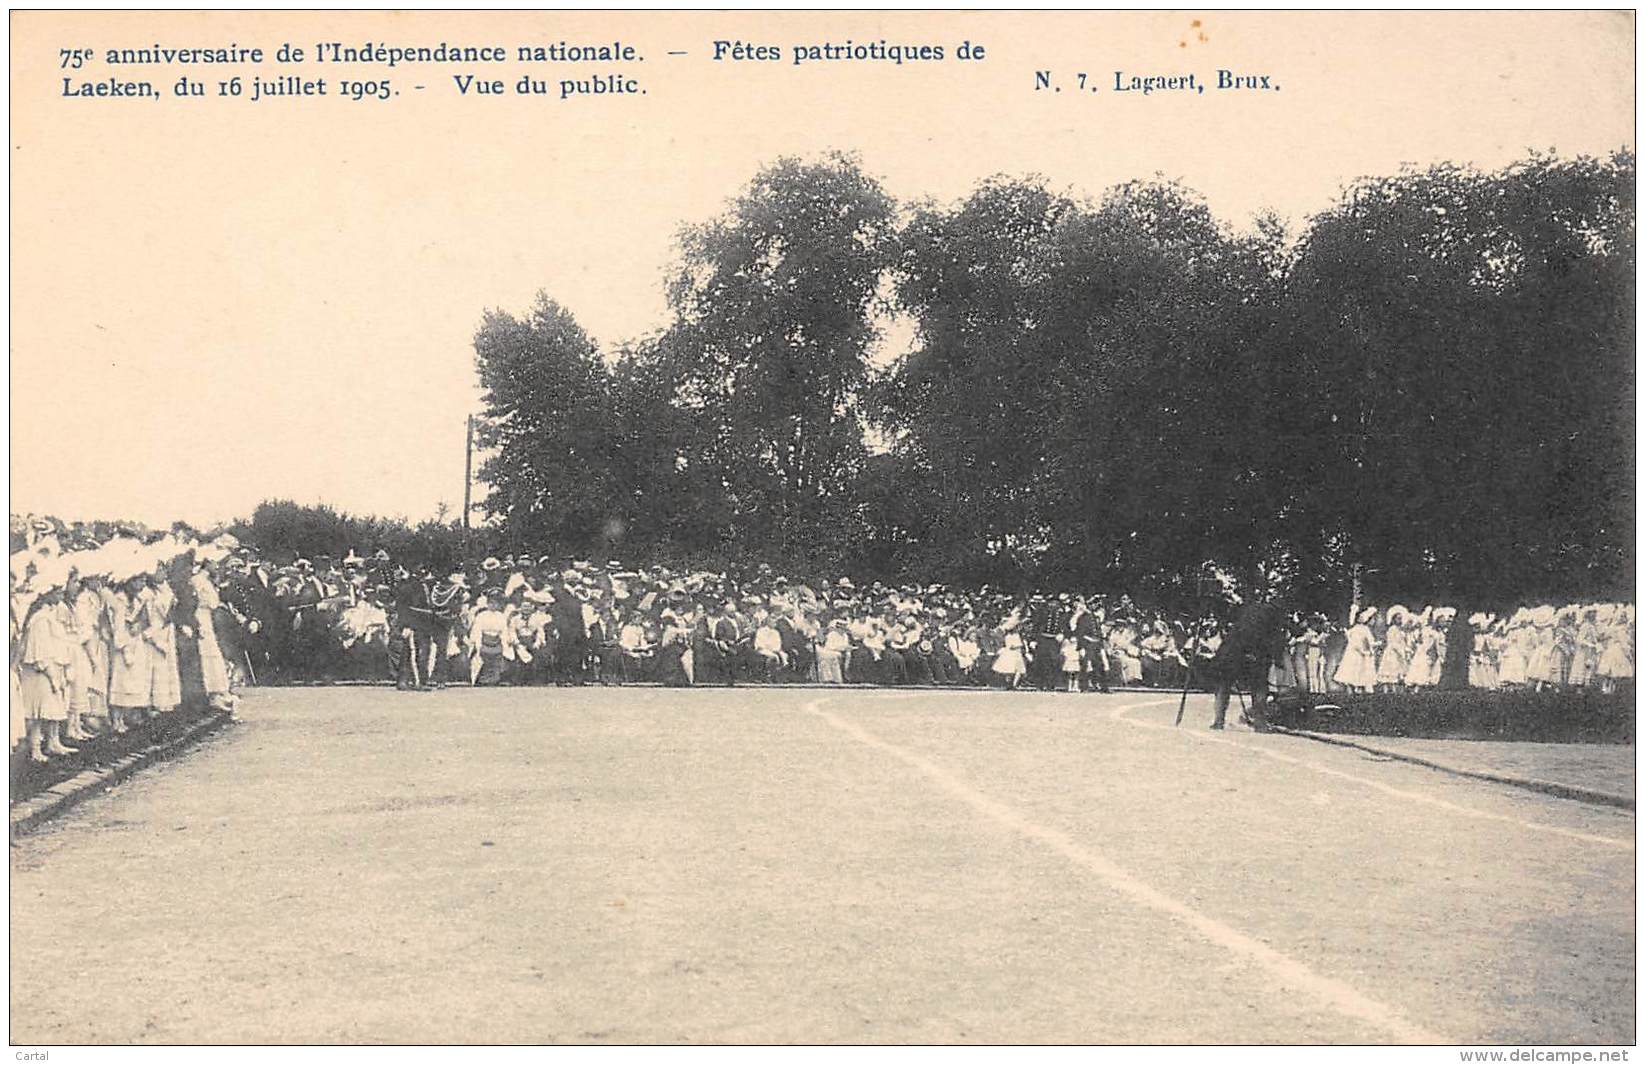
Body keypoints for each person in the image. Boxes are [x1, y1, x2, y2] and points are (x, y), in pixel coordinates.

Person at [1205, 600, 1287, 730]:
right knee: (1259, 686)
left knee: (1224, 685)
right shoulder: (1274, 614)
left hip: (1234, 650)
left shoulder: (1243, 607)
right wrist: (1277, 658)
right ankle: (1260, 723)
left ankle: (1219, 720)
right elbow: (1276, 638)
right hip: (1253, 651)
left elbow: (1224, 618)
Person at [1333, 607, 1379, 694]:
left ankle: (1355, 690)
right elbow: (1364, 642)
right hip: (1357, 653)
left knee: (1355, 673)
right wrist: (1374, 646)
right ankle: (1356, 690)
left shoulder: (1357, 629)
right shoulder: (1363, 629)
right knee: (1356, 672)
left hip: (1356, 652)